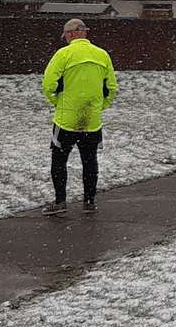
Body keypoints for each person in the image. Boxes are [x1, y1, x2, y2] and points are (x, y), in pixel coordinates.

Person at [41, 18, 118, 212]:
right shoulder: (102, 55)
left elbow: (48, 84)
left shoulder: (63, 54)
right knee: (90, 160)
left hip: (66, 119)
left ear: (71, 33)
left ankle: (60, 202)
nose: (65, 39)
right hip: (91, 120)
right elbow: (111, 87)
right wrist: (100, 107)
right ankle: (89, 202)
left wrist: (58, 102)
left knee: (59, 160)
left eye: (66, 35)